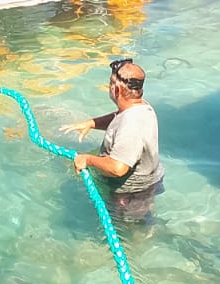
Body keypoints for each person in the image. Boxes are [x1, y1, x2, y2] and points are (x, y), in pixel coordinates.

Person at [62, 56, 164, 221]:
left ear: (116, 90)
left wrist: (87, 159)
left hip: (129, 195)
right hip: (148, 181)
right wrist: (92, 123)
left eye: (110, 83)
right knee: (144, 217)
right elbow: (120, 116)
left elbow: (117, 168)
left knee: (132, 228)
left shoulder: (131, 124)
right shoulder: (141, 106)